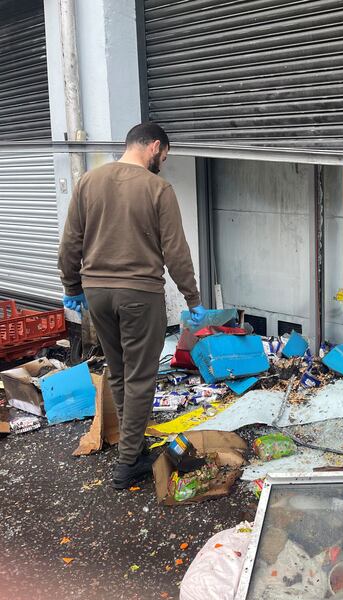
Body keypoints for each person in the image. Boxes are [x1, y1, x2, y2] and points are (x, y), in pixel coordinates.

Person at [58, 122, 208, 489]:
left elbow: (70, 242)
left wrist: (71, 284)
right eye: (165, 156)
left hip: (97, 294)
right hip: (139, 295)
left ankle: (134, 445)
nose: (163, 163)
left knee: (121, 371)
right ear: (154, 146)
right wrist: (193, 298)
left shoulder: (88, 182)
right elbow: (176, 251)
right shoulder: (157, 188)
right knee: (141, 378)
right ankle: (128, 467)